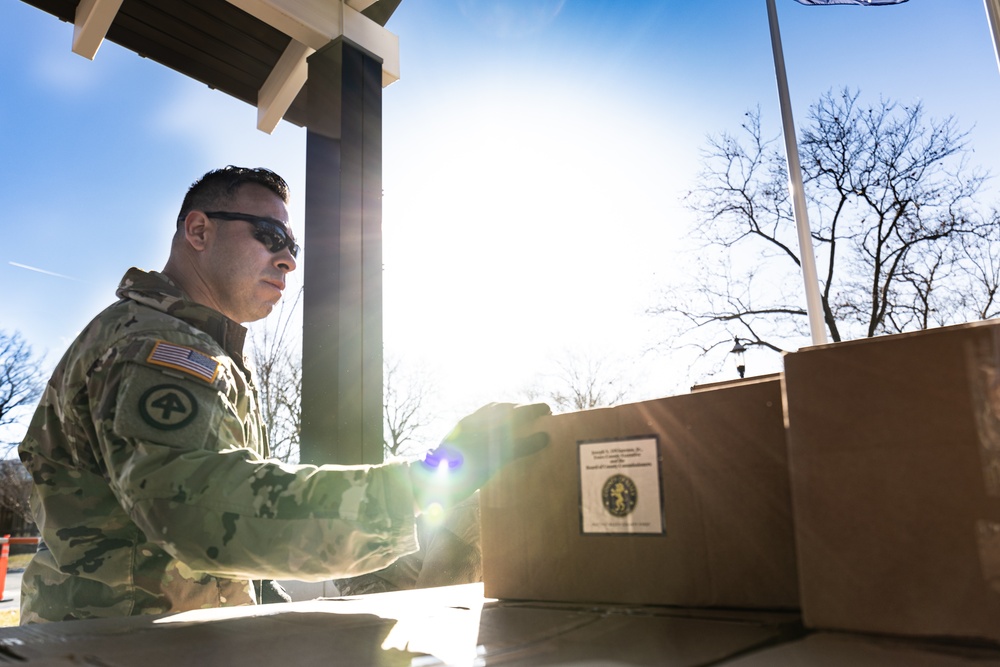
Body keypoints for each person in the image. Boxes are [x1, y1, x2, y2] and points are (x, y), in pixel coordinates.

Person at [17, 166, 549, 624]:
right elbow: (195, 511)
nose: (289, 260)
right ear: (199, 231)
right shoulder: (155, 344)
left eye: (292, 247)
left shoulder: (190, 343)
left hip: (160, 632)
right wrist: (426, 480)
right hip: (120, 645)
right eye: (270, 236)